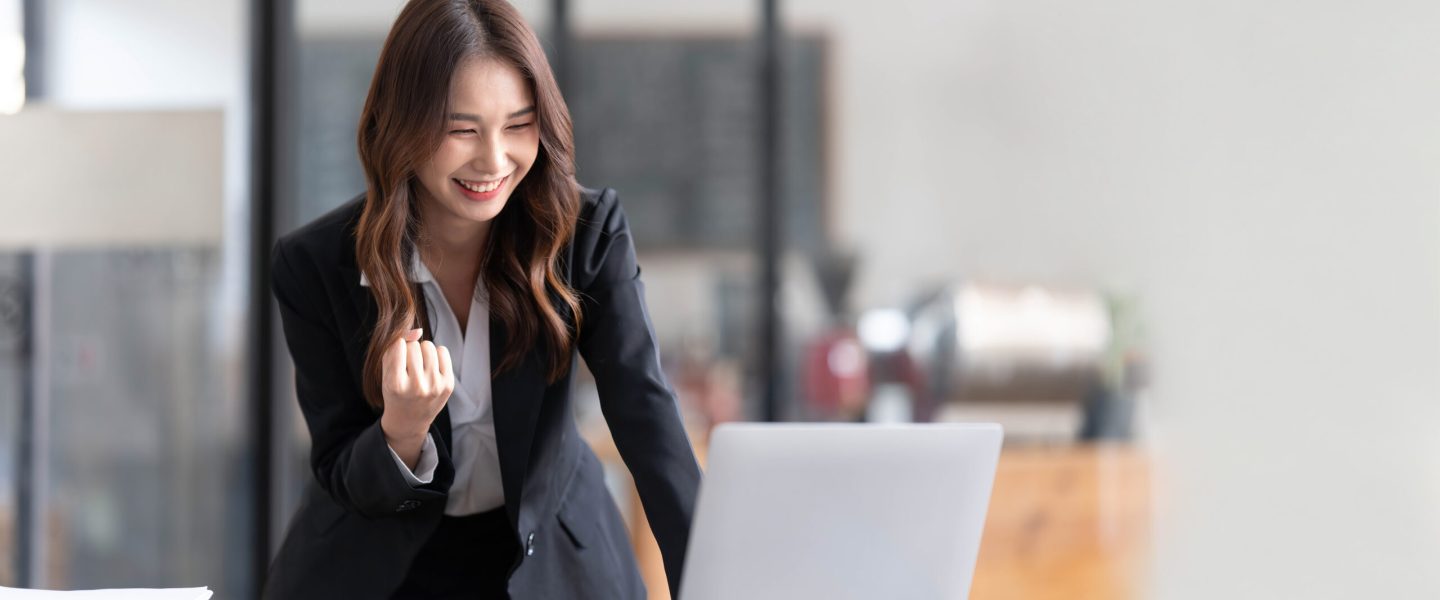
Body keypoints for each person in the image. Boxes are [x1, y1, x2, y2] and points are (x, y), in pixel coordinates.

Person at [261, 1, 701, 597]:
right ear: (403, 126)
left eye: (519, 125)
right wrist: (402, 431)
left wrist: (711, 578)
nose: (494, 160)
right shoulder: (315, 265)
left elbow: (646, 418)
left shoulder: (586, 235)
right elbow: (341, 468)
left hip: (552, 556)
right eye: (461, 129)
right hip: (379, 564)